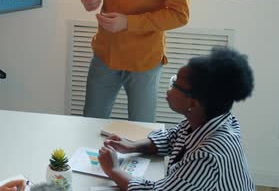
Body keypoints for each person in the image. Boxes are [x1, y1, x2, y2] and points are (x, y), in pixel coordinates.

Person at [98, 46, 255, 191]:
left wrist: (114, 170)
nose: (169, 89)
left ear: (193, 103)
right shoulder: (209, 120)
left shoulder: (208, 156)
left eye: (175, 84)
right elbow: (172, 138)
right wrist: (132, 146)